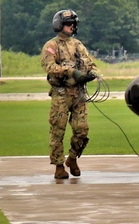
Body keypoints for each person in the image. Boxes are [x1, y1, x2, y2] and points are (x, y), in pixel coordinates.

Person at [41, 9, 97, 179]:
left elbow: (90, 63)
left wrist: (91, 74)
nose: (71, 26)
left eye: (73, 24)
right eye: (68, 24)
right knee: (58, 130)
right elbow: (49, 67)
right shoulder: (52, 46)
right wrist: (70, 72)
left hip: (78, 94)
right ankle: (58, 166)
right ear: (60, 25)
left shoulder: (78, 45)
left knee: (82, 130)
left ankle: (72, 158)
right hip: (61, 94)